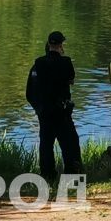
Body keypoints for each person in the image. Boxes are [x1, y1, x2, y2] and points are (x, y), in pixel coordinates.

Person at [26, 31, 82, 181]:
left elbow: (30, 92)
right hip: (61, 111)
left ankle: (47, 175)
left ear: (48, 44)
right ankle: (72, 175)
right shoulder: (66, 62)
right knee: (70, 143)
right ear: (61, 45)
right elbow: (71, 80)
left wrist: (38, 108)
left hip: (44, 112)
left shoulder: (37, 64)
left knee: (46, 144)